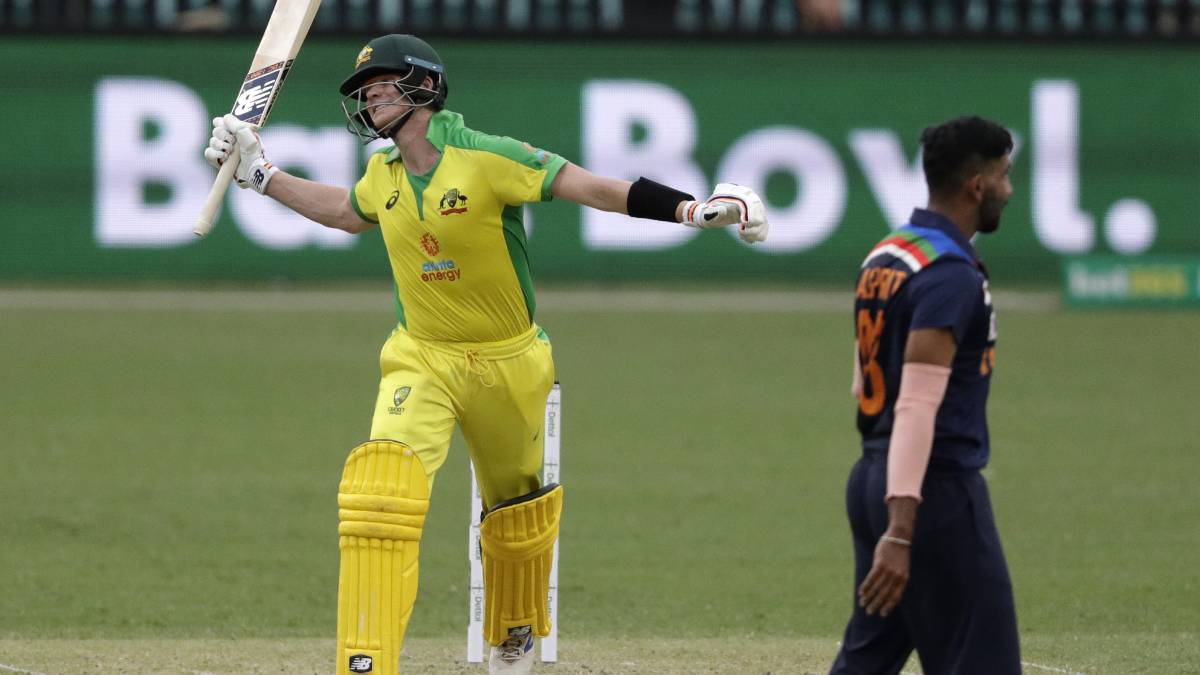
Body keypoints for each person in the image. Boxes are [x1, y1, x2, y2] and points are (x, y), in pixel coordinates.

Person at [203, 34, 768, 675]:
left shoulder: (487, 156)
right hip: (422, 357)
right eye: (362, 91)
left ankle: (514, 631)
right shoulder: (382, 174)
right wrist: (262, 176)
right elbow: (346, 212)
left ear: (423, 87)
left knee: (516, 511)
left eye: (380, 85)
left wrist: (692, 211)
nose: (366, 98)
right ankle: (366, 658)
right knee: (379, 492)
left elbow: (590, 188)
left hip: (511, 362)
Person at [831, 116, 1020, 674]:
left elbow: (863, 381)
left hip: (872, 475)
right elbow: (915, 405)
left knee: (868, 659)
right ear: (977, 184)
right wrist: (901, 526)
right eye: (1005, 176)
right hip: (930, 496)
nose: (1010, 190)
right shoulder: (949, 276)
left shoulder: (887, 254)